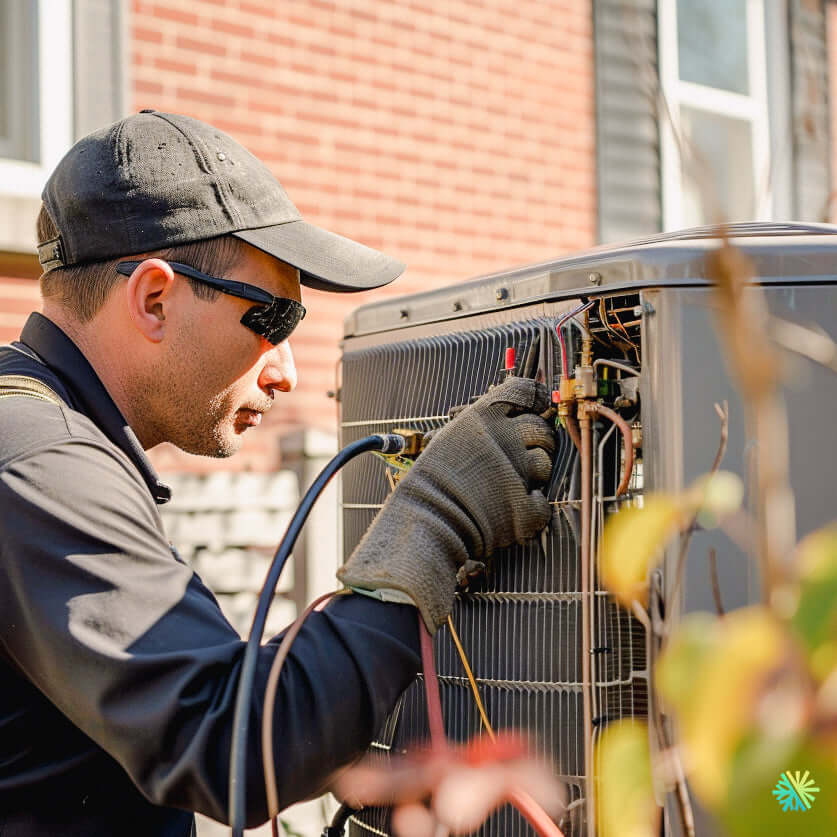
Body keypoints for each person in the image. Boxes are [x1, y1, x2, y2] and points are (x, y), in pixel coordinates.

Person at [0, 110, 555, 836]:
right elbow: (227, 745)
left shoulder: (40, 427)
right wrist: (434, 520)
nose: (287, 370)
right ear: (155, 298)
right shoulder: (40, 461)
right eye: (271, 320)